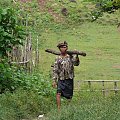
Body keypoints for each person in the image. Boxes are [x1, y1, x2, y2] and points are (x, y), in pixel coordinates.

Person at [52, 41, 80, 110]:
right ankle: (59, 109)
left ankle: (68, 108)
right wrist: (54, 80)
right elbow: (55, 70)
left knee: (69, 96)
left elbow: (76, 63)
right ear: (59, 49)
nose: (63, 48)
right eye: (61, 47)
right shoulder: (57, 58)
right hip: (61, 79)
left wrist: (76, 55)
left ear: (67, 48)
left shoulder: (70, 57)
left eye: (64, 47)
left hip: (69, 78)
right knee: (58, 93)